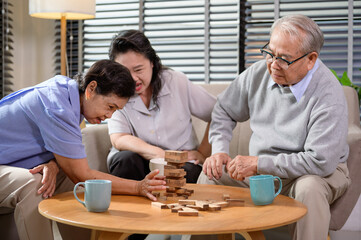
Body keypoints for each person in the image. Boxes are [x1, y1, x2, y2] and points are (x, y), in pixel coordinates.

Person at [197, 14, 351, 240]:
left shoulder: (329, 94)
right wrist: (220, 150)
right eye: (270, 53)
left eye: (284, 59)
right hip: (263, 172)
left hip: (317, 172)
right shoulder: (259, 72)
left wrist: (259, 163)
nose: (273, 64)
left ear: (311, 59)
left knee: (309, 188)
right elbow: (223, 110)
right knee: (211, 174)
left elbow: (320, 161)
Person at [0, 59, 166, 240]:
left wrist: (55, 164)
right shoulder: (57, 105)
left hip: (10, 165)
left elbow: (69, 163)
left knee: (72, 184)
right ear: (91, 88)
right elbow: (82, 174)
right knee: (33, 183)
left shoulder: (70, 100)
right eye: (110, 107)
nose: (109, 116)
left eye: (115, 110)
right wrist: (138, 186)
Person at [107, 30, 216, 183]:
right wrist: (161, 154)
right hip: (138, 161)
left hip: (180, 163)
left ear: (152, 62)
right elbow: (119, 138)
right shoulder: (114, 91)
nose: (132, 79)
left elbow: (219, 113)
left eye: (138, 70)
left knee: (184, 174)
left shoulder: (176, 81)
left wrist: (202, 152)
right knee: (125, 160)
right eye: (124, 72)